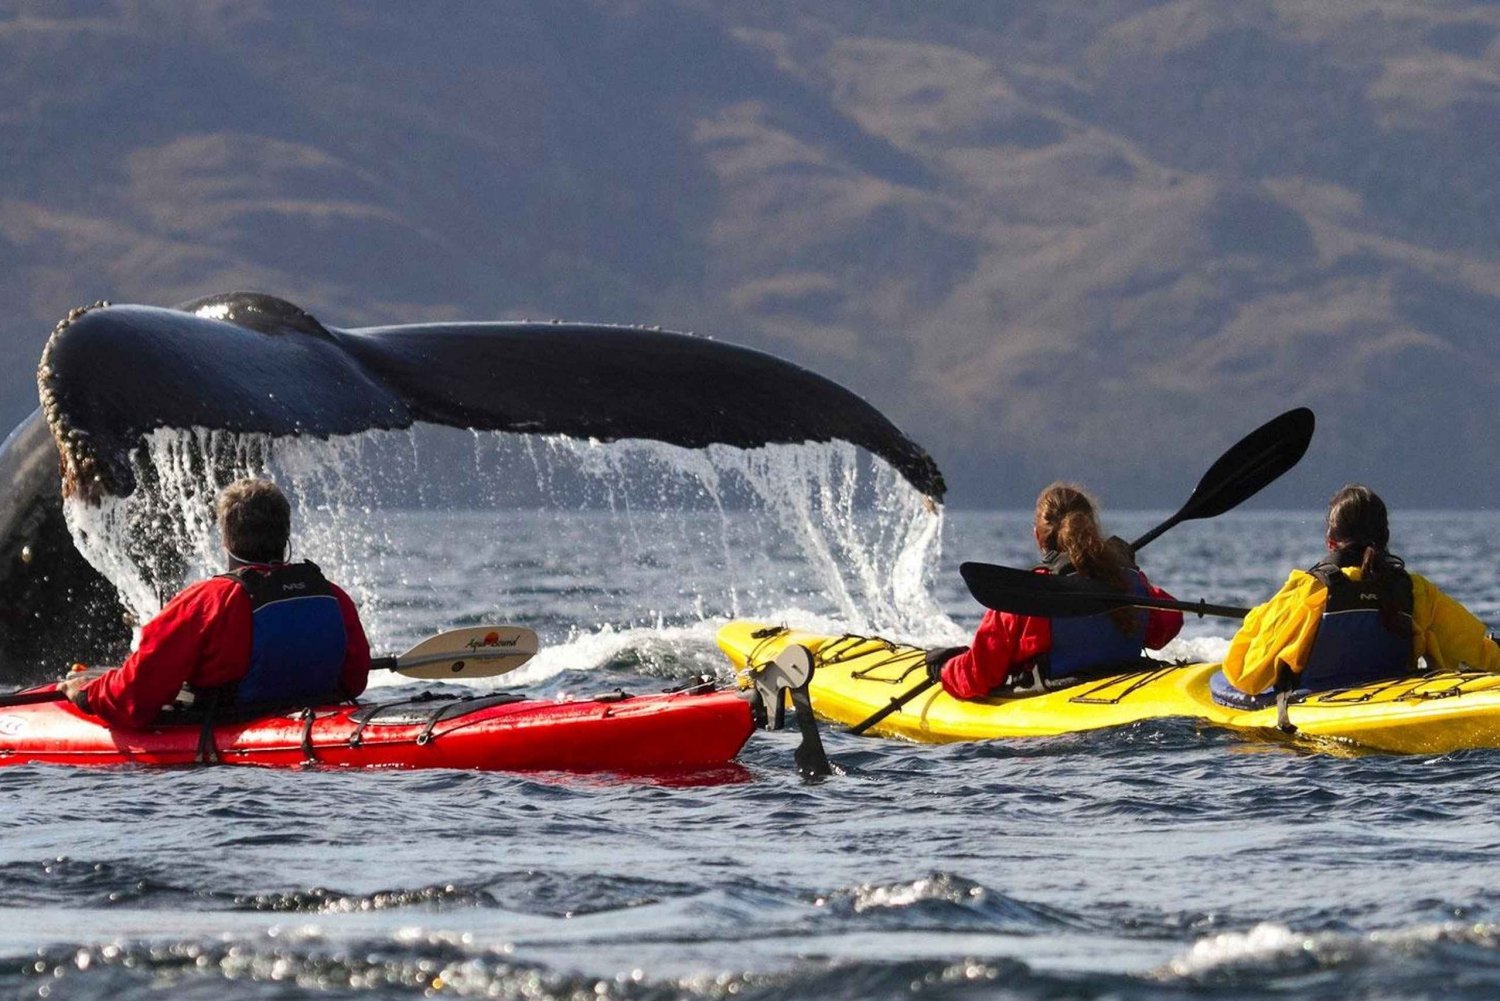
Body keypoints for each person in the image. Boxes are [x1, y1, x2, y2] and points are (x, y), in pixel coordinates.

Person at [58, 478, 371, 728]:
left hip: (232, 733)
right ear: (285, 533)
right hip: (316, 724)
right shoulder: (331, 594)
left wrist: (86, 693)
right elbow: (354, 680)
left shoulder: (206, 601)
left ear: (225, 539)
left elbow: (134, 696)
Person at [1222, 484, 1500, 696]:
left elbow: (1246, 675)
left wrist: (1258, 618)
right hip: (1392, 700)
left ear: (1331, 542)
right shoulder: (1415, 590)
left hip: (1317, 722)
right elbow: (1479, 657)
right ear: (1385, 537)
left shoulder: (1308, 589)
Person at [930, 482, 1184, 698]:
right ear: (1091, 531)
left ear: (1037, 536)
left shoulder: (1030, 593)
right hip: (1127, 683)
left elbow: (979, 676)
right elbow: (1169, 622)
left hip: (1061, 703)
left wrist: (943, 670)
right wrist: (1123, 567)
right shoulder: (1129, 581)